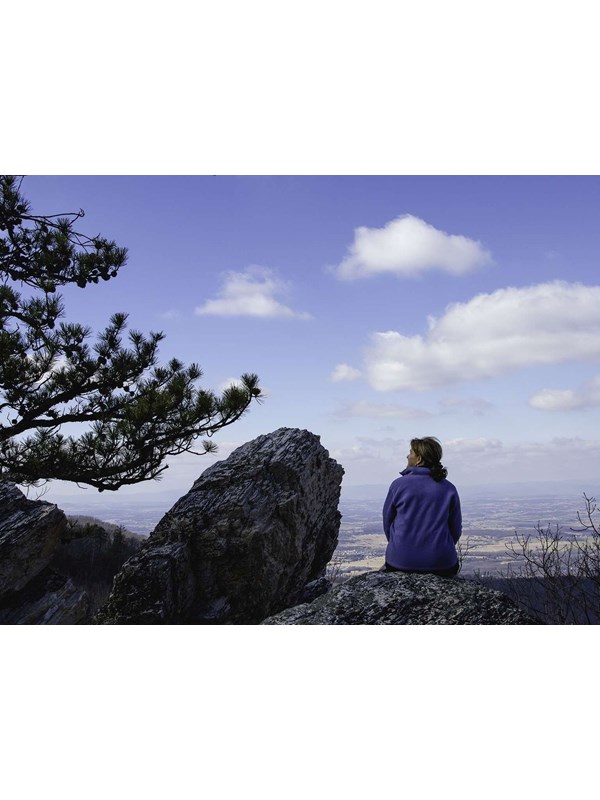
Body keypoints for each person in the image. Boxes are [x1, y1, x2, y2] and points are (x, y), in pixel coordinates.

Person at [382, 436, 462, 577]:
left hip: (401, 561)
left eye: (411, 453)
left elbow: (388, 522)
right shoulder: (449, 488)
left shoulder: (398, 485)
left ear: (419, 459)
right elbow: (455, 529)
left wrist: (400, 546)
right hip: (441, 563)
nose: (407, 456)